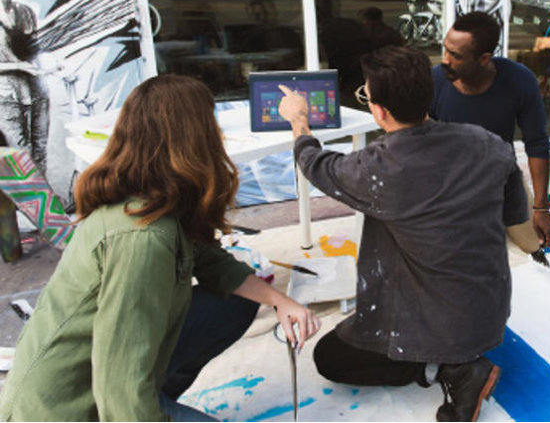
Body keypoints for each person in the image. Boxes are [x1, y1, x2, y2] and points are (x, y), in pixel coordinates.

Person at [0, 75, 321, 421]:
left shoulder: (151, 197)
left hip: (105, 382)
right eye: (210, 124)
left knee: (237, 300)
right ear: (193, 139)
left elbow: (207, 257)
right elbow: (118, 382)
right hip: (75, 409)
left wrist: (281, 301)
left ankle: (160, 392)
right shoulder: (143, 240)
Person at [277, 46, 528, 422]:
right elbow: (513, 215)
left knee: (328, 357)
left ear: (377, 110)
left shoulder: (378, 169)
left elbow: (315, 163)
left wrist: (298, 121)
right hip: (490, 314)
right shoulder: (488, 143)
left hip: (444, 325)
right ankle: (452, 362)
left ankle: (451, 370)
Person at [430, 11, 550, 253]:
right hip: (451, 184)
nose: (445, 60)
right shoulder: (434, 81)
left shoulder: (520, 80)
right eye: (445, 49)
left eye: (455, 55)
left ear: (484, 58)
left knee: (533, 245)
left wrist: (541, 208)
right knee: (456, 251)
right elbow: (417, 142)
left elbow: (538, 143)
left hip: (502, 179)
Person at [0, 0, 49, 172]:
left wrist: (54, 65)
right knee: (19, 161)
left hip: (37, 92)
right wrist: (17, 66)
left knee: (39, 154)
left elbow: (35, 51)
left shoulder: (25, 12)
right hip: (6, 97)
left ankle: (45, 207)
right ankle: (30, 207)